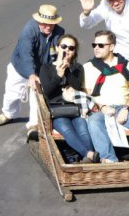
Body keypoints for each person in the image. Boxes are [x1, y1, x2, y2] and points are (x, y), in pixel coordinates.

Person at [82, 30, 129, 163]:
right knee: (94, 122)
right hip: (100, 109)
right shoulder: (88, 67)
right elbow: (86, 94)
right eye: (94, 45)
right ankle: (108, 158)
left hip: (122, 108)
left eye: (101, 45)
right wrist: (102, 107)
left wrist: (126, 108)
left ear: (111, 47)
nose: (96, 48)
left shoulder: (125, 65)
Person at [0, 4, 65, 138]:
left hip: (40, 70)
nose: (48, 27)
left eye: (51, 24)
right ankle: (8, 114)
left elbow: (60, 52)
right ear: (38, 21)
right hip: (20, 68)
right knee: (12, 95)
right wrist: (31, 74)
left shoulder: (59, 32)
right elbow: (26, 54)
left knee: (37, 97)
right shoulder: (29, 30)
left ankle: (34, 125)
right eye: (44, 24)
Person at [39, 34, 99, 163]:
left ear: (74, 52)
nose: (67, 50)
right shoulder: (46, 68)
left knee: (83, 130)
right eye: (64, 46)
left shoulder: (77, 68)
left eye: (71, 48)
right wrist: (58, 75)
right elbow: (48, 92)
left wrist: (66, 69)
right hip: (57, 110)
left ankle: (87, 159)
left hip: (75, 107)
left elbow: (77, 86)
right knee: (67, 130)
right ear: (57, 48)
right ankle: (89, 154)